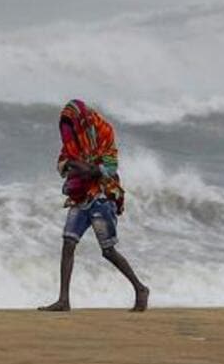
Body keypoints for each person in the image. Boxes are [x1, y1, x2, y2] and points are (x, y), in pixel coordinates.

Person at [39, 99, 150, 312]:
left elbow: (109, 165)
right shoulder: (72, 139)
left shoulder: (104, 130)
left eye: (71, 125)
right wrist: (82, 167)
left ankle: (140, 288)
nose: (68, 131)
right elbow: (64, 164)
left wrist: (86, 168)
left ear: (80, 120)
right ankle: (63, 300)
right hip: (80, 196)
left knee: (108, 250)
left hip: (102, 195)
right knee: (68, 243)